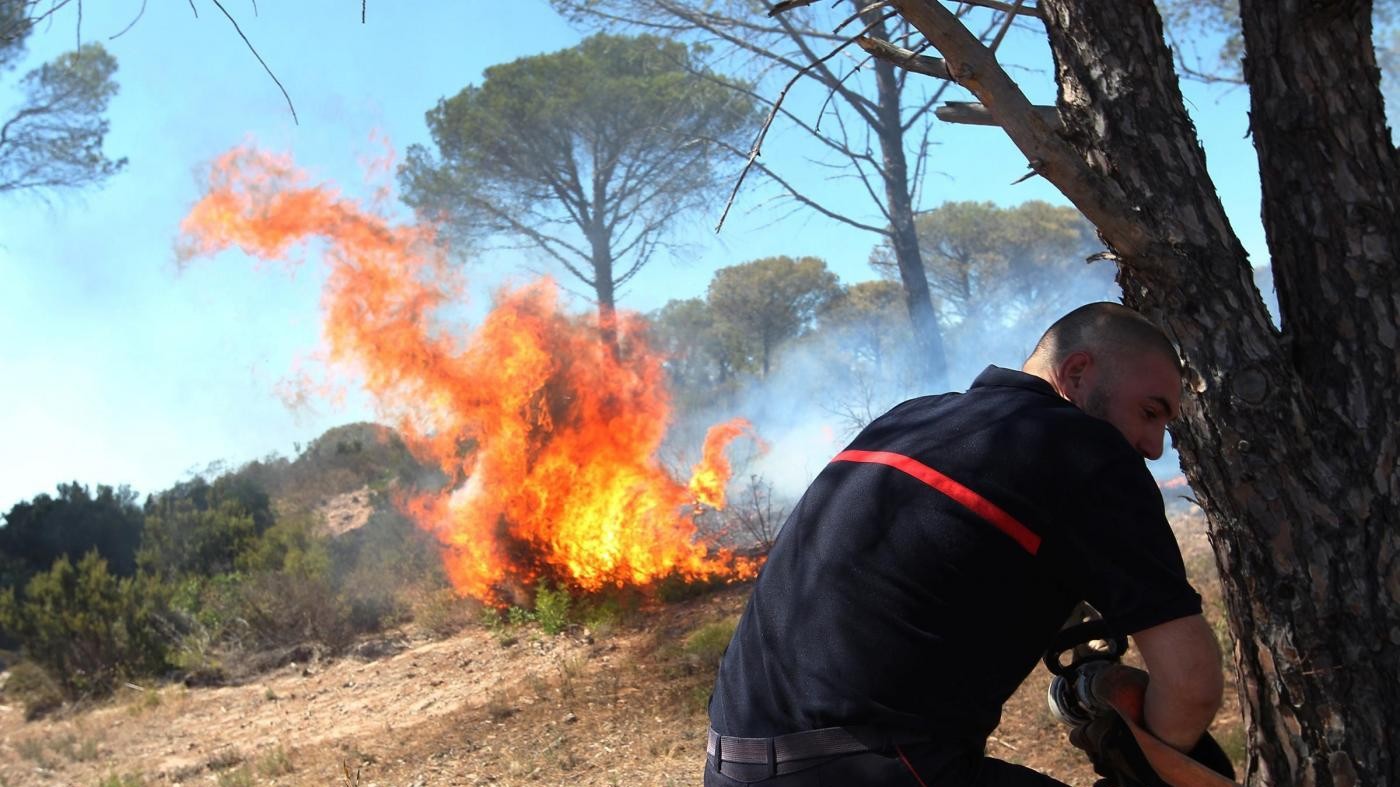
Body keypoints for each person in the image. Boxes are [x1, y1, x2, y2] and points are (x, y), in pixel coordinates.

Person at [704, 302, 1224, 786]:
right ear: (1077, 374)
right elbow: (1193, 685)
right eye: (1151, 412)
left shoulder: (908, 418)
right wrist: (1147, 763)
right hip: (870, 770)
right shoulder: (1086, 452)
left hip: (731, 762)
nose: (1154, 448)